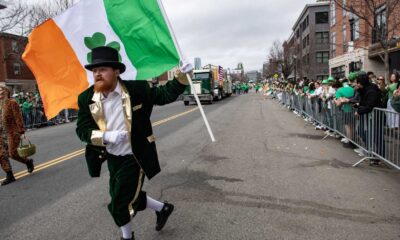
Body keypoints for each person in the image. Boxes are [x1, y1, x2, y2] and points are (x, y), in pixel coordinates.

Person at [75, 46, 193, 240]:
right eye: (94, 71)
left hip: (135, 156)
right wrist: (105, 137)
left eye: (102, 69)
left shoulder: (137, 89)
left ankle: (127, 237)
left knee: (119, 204)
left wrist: (182, 76)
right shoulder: (86, 98)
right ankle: (163, 208)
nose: (97, 74)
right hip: (112, 157)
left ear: (116, 71)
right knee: (127, 195)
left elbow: (164, 95)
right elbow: (82, 129)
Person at [0, 85, 34, 185]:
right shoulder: (0, 104)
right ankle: (9, 175)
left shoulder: (12, 103)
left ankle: (28, 162)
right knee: (1, 154)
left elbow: (18, 117)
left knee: (12, 154)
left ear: (7, 92)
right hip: (1, 133)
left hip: (12, 132)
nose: (0, 94)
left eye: (1, 91)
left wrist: (22, 132)